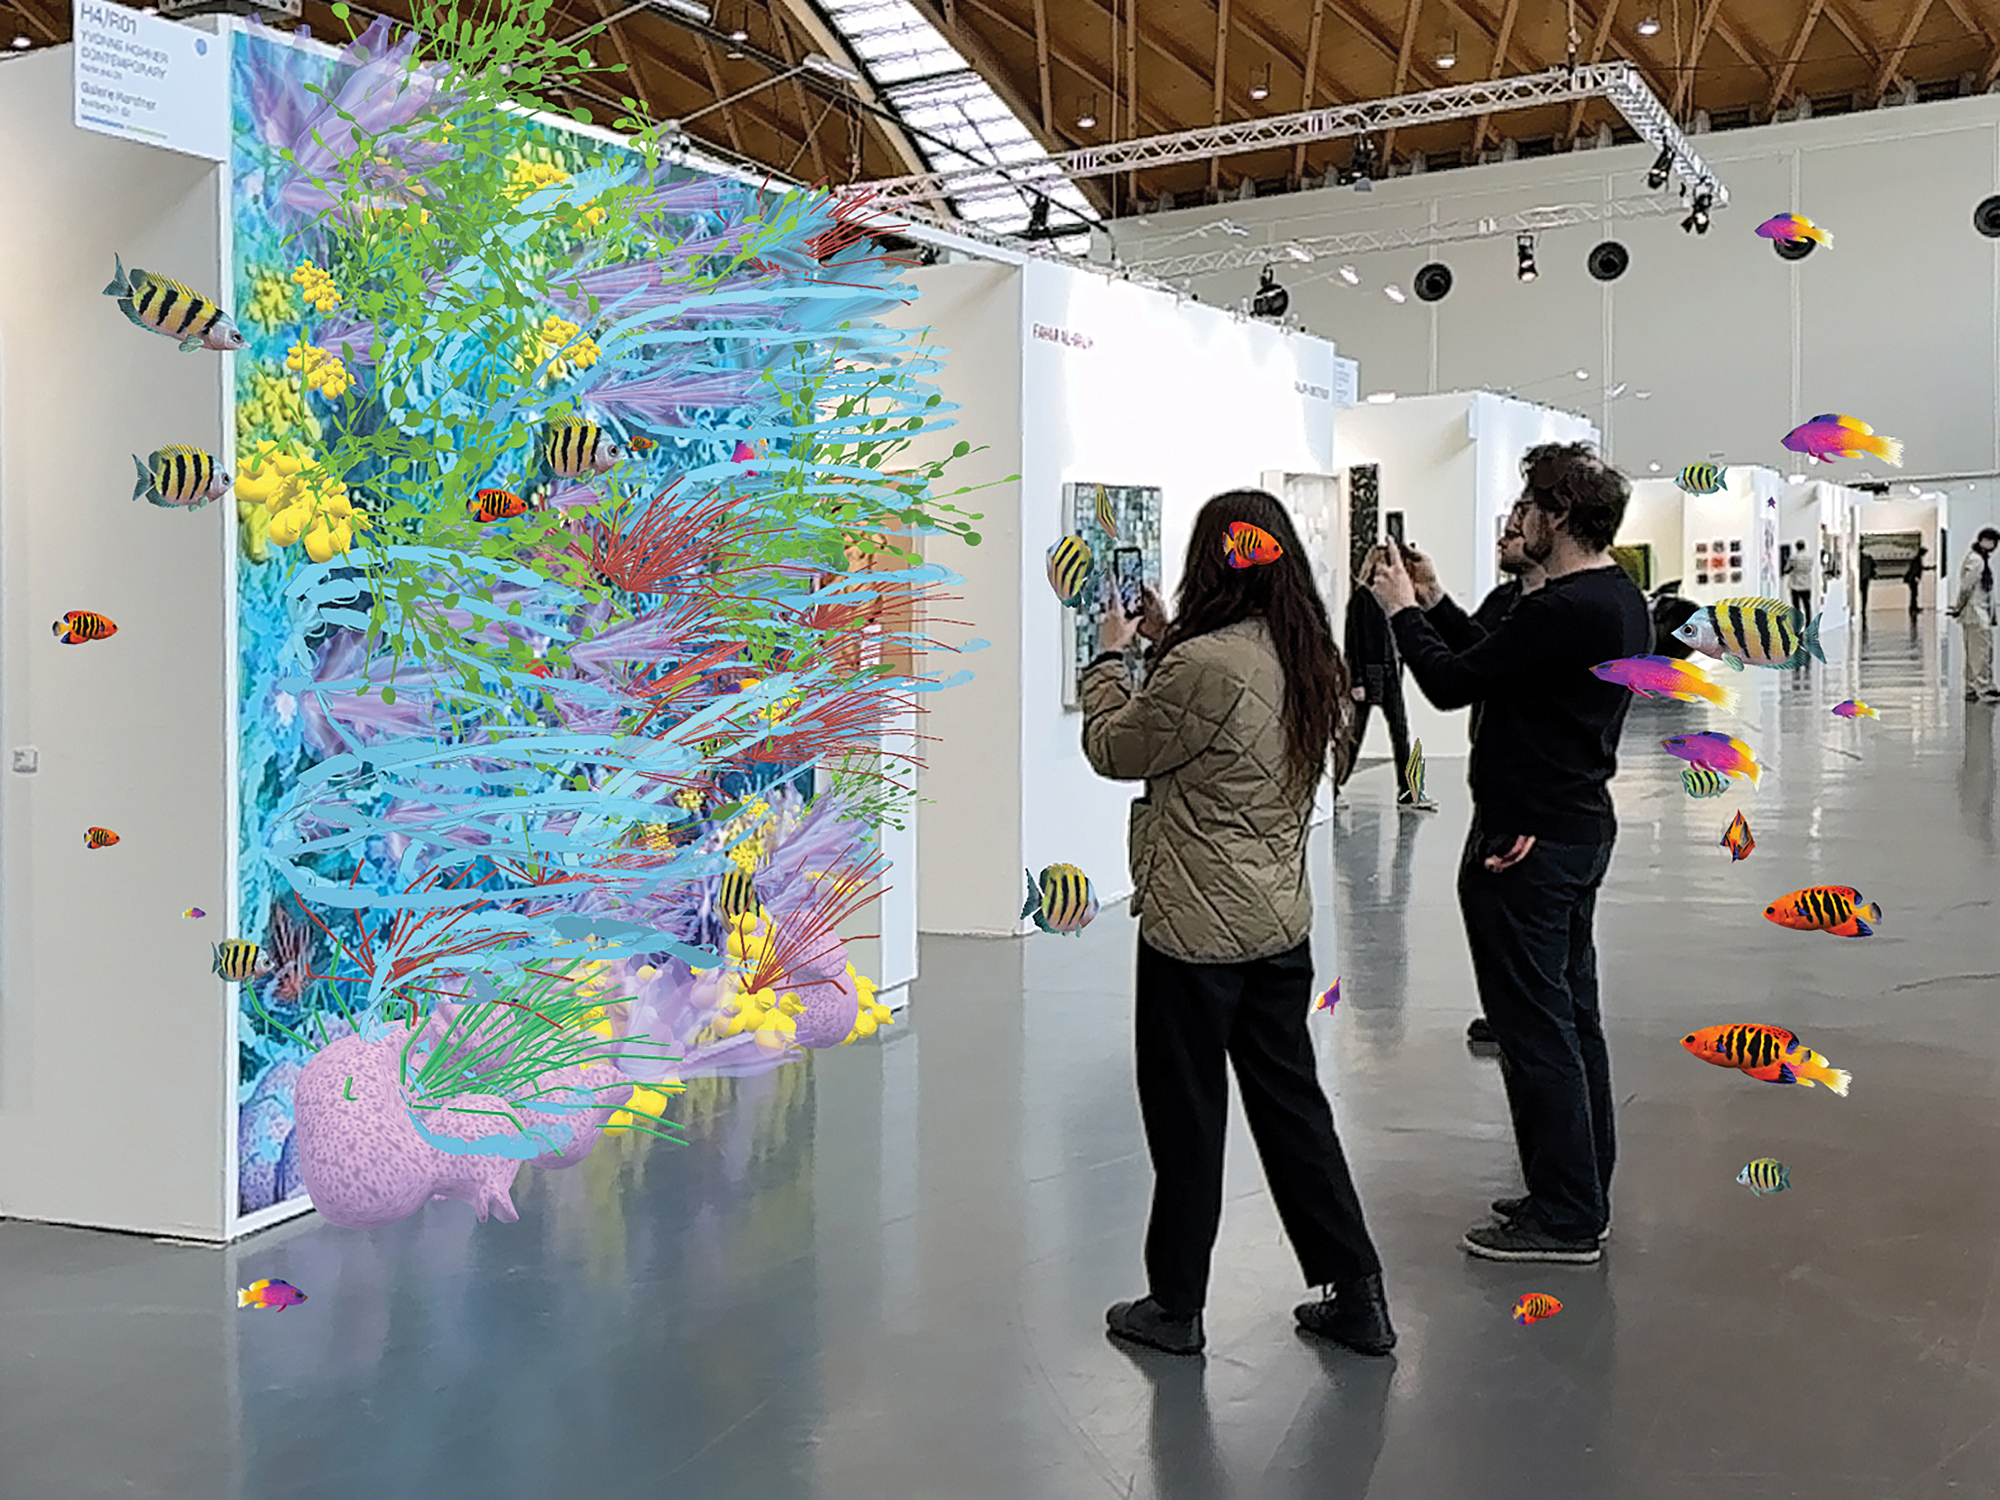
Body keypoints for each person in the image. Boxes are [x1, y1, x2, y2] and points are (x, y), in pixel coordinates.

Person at [1082, 488, 1393, 1357]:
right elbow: (1229, 709)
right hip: (1277, 923)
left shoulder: (1205, 665)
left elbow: (1116, 748)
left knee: (1187, 1120)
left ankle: (1176, 1305)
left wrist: (1110, 660)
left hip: (1193, 933)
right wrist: (1163, 637)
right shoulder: (1309, 656)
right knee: (1294, 1108)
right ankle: (1356, 1291)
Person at [1370, 444, 1649, 1265]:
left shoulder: (1566, 608)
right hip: (1570, 827)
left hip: (1530, 840)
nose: (1517, 518)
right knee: (1571, 1020)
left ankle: (1564, 1216)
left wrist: (1398, 613)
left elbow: (1452, 685)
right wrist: (1436, 600)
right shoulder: (1607, 597)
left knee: (1536, 1030)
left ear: (1557, 516)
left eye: (1529, 505)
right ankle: (1578, 1189)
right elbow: (1493, 666)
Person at [1463, 506, 1547, 1050]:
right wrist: (1425, 602)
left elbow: (1454, 676)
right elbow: (1468, 654)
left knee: (1520, 916)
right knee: (1480, 896)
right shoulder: (1504, 602)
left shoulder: (1556, 613)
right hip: (1497, 789)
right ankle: (1509, 1011)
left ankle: (1523, 1019)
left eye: (1516, 530)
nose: (1503, 538)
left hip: (1527, 799)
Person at [1343, 563, 1434, 810]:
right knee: (1354, 734)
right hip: (1370, 671)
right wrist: (1357, 680)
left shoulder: (1391, 600)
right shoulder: (1361, 598)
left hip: (1390, 670)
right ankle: (1334, 788)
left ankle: (1408, 792)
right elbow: (1354, 642)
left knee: (1400, 730)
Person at [1949, 527, 2000, 703]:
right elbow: (1966, 587)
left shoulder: (1978, 559)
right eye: (1992, 541)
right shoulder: (1977, 561)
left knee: (1973, 652)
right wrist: (1958, 607)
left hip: (1975, 613)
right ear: (1983, 541)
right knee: (1981, 652)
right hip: (1976, 613)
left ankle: (1971, 688)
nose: (1994, 546)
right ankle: (1984, 688)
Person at [1784, 538, 1814, 620]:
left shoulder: (1794, 557)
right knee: (1807, 606)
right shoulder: (1810, 557)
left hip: (1795, 584)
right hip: (1806, 584)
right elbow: (1810, 568)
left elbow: (1787, 569)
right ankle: (1808, 624)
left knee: (1796, 607)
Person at [1908, 544, 1928, 617]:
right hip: (1913, 579)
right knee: (1914, 594)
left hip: (1912, 579)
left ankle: (1914, 607)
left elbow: (1919, 568)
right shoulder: (1917, 560)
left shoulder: (1917, 559)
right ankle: (1913, 608)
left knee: (1914, 594)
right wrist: (1915, 577)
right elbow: (1915, 569)